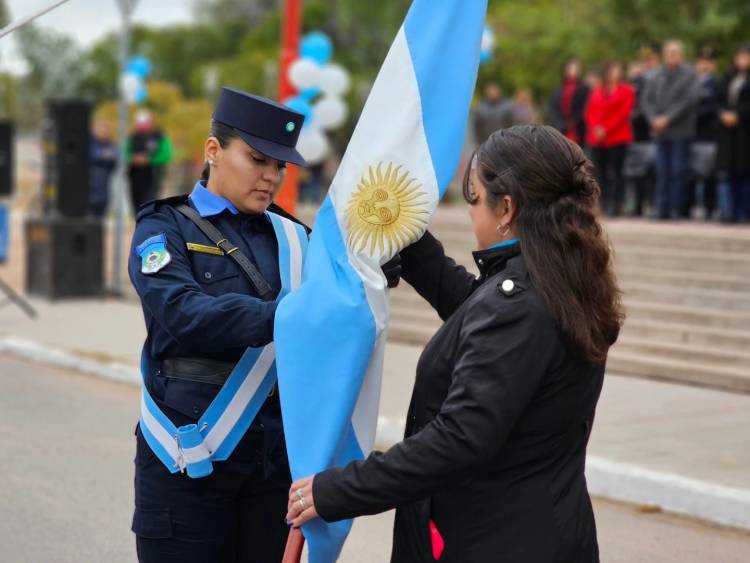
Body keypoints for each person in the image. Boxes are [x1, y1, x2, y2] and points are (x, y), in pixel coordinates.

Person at [286, 125, 624, 563]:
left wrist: (338, 489)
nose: (470, 212)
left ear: (507, 208)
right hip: (539, 528)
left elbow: (459, 438)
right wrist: (403, 231)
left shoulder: (519, 303)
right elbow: (476, 309)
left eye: (475, 199)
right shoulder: (556, 278)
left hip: (495, 539)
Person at [129, 87, 310, 562]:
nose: (271, 176)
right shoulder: (165, 227)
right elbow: (183, 314)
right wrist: (288, 316)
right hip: (189, 459)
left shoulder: (293, 238)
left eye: (280, 166)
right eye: (257, 159)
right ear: (213, 151)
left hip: (273, 467)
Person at [642, 40, 700, 219]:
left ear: (681, 55)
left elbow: (688, 100)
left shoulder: (689, 74)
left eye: (675, 53)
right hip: (659, 132)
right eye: (668, 53)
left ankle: (677, 209)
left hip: (680, 131)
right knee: (661, 171)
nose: (671, 56)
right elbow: (646, 100)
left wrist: (668, 118)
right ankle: (662, 208)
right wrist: (653, 119)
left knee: (678, 171)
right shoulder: (655, 75)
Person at [585, 60, 636, 216]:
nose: (615, 73)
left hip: (618, 137)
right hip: (598, 138)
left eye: (618, 70)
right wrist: (596, 128)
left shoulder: (627, 91)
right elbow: (590, 111)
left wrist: (605, 129)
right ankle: (603, 203)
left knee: (617, 172)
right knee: (600, 172)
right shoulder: (598, 91)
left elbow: (623, 113)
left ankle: (617, 204)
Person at [716, 43, 750, 223]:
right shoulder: (729, 77)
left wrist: (738, 114)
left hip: (745, 132)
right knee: (728, 173)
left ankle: (744, 211)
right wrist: (724, 114)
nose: (742, 60)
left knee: (744, 174)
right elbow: (719, 98)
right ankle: (728, 211)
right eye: (740, 56)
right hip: (728, 134)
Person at [690, 47, 721, 219]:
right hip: (691, 134)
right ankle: (688, 207)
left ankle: (710, 208)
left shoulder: (715, 84)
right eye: (700, 62)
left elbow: (712, 108)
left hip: (708, 134)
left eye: (707, 62)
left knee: (709, 173)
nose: (703, 66)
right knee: (691, 175)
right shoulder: (690, 84)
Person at [127, 110, 174, 212]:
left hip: (153, 176)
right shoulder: (133, 137)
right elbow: (125, 153)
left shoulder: (160, 137)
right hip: (135, 177)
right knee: (136, 206)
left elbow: (166, 155)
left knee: (150, 204)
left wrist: (148, 160)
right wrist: (133, 158)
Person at [549, 58, 590, 145]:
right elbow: (553, 107)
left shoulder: (584, 89)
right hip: (560, 126)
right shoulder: (559, 89)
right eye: (570, 68)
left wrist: (574, 122)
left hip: (578, 128)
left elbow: (585, 107)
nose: (573, 71)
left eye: (575, 69)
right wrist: (560, 123)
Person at [89, 121, 117, 218]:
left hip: (103, 194)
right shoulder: (90, 145)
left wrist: (103, 156)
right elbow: (93, 156)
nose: (104, 133)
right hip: (88, 193)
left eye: (106, 131)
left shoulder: (112, 146)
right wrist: (104, 156)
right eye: (101, 130)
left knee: (99, 222)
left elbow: (115, 158)